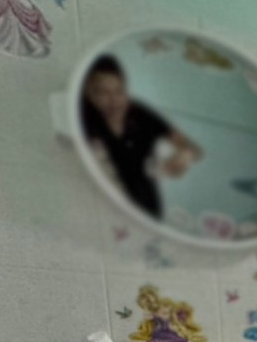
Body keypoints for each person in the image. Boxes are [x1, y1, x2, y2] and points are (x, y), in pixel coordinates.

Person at [80, 54, 202, 219]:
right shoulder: (83, 121)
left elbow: (194, 149)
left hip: (148, 210)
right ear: (87, 93)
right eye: (102, 93)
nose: (114, 100)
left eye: (119, 91)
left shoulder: (139, 113)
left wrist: (185, 155)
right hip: (103, 210)